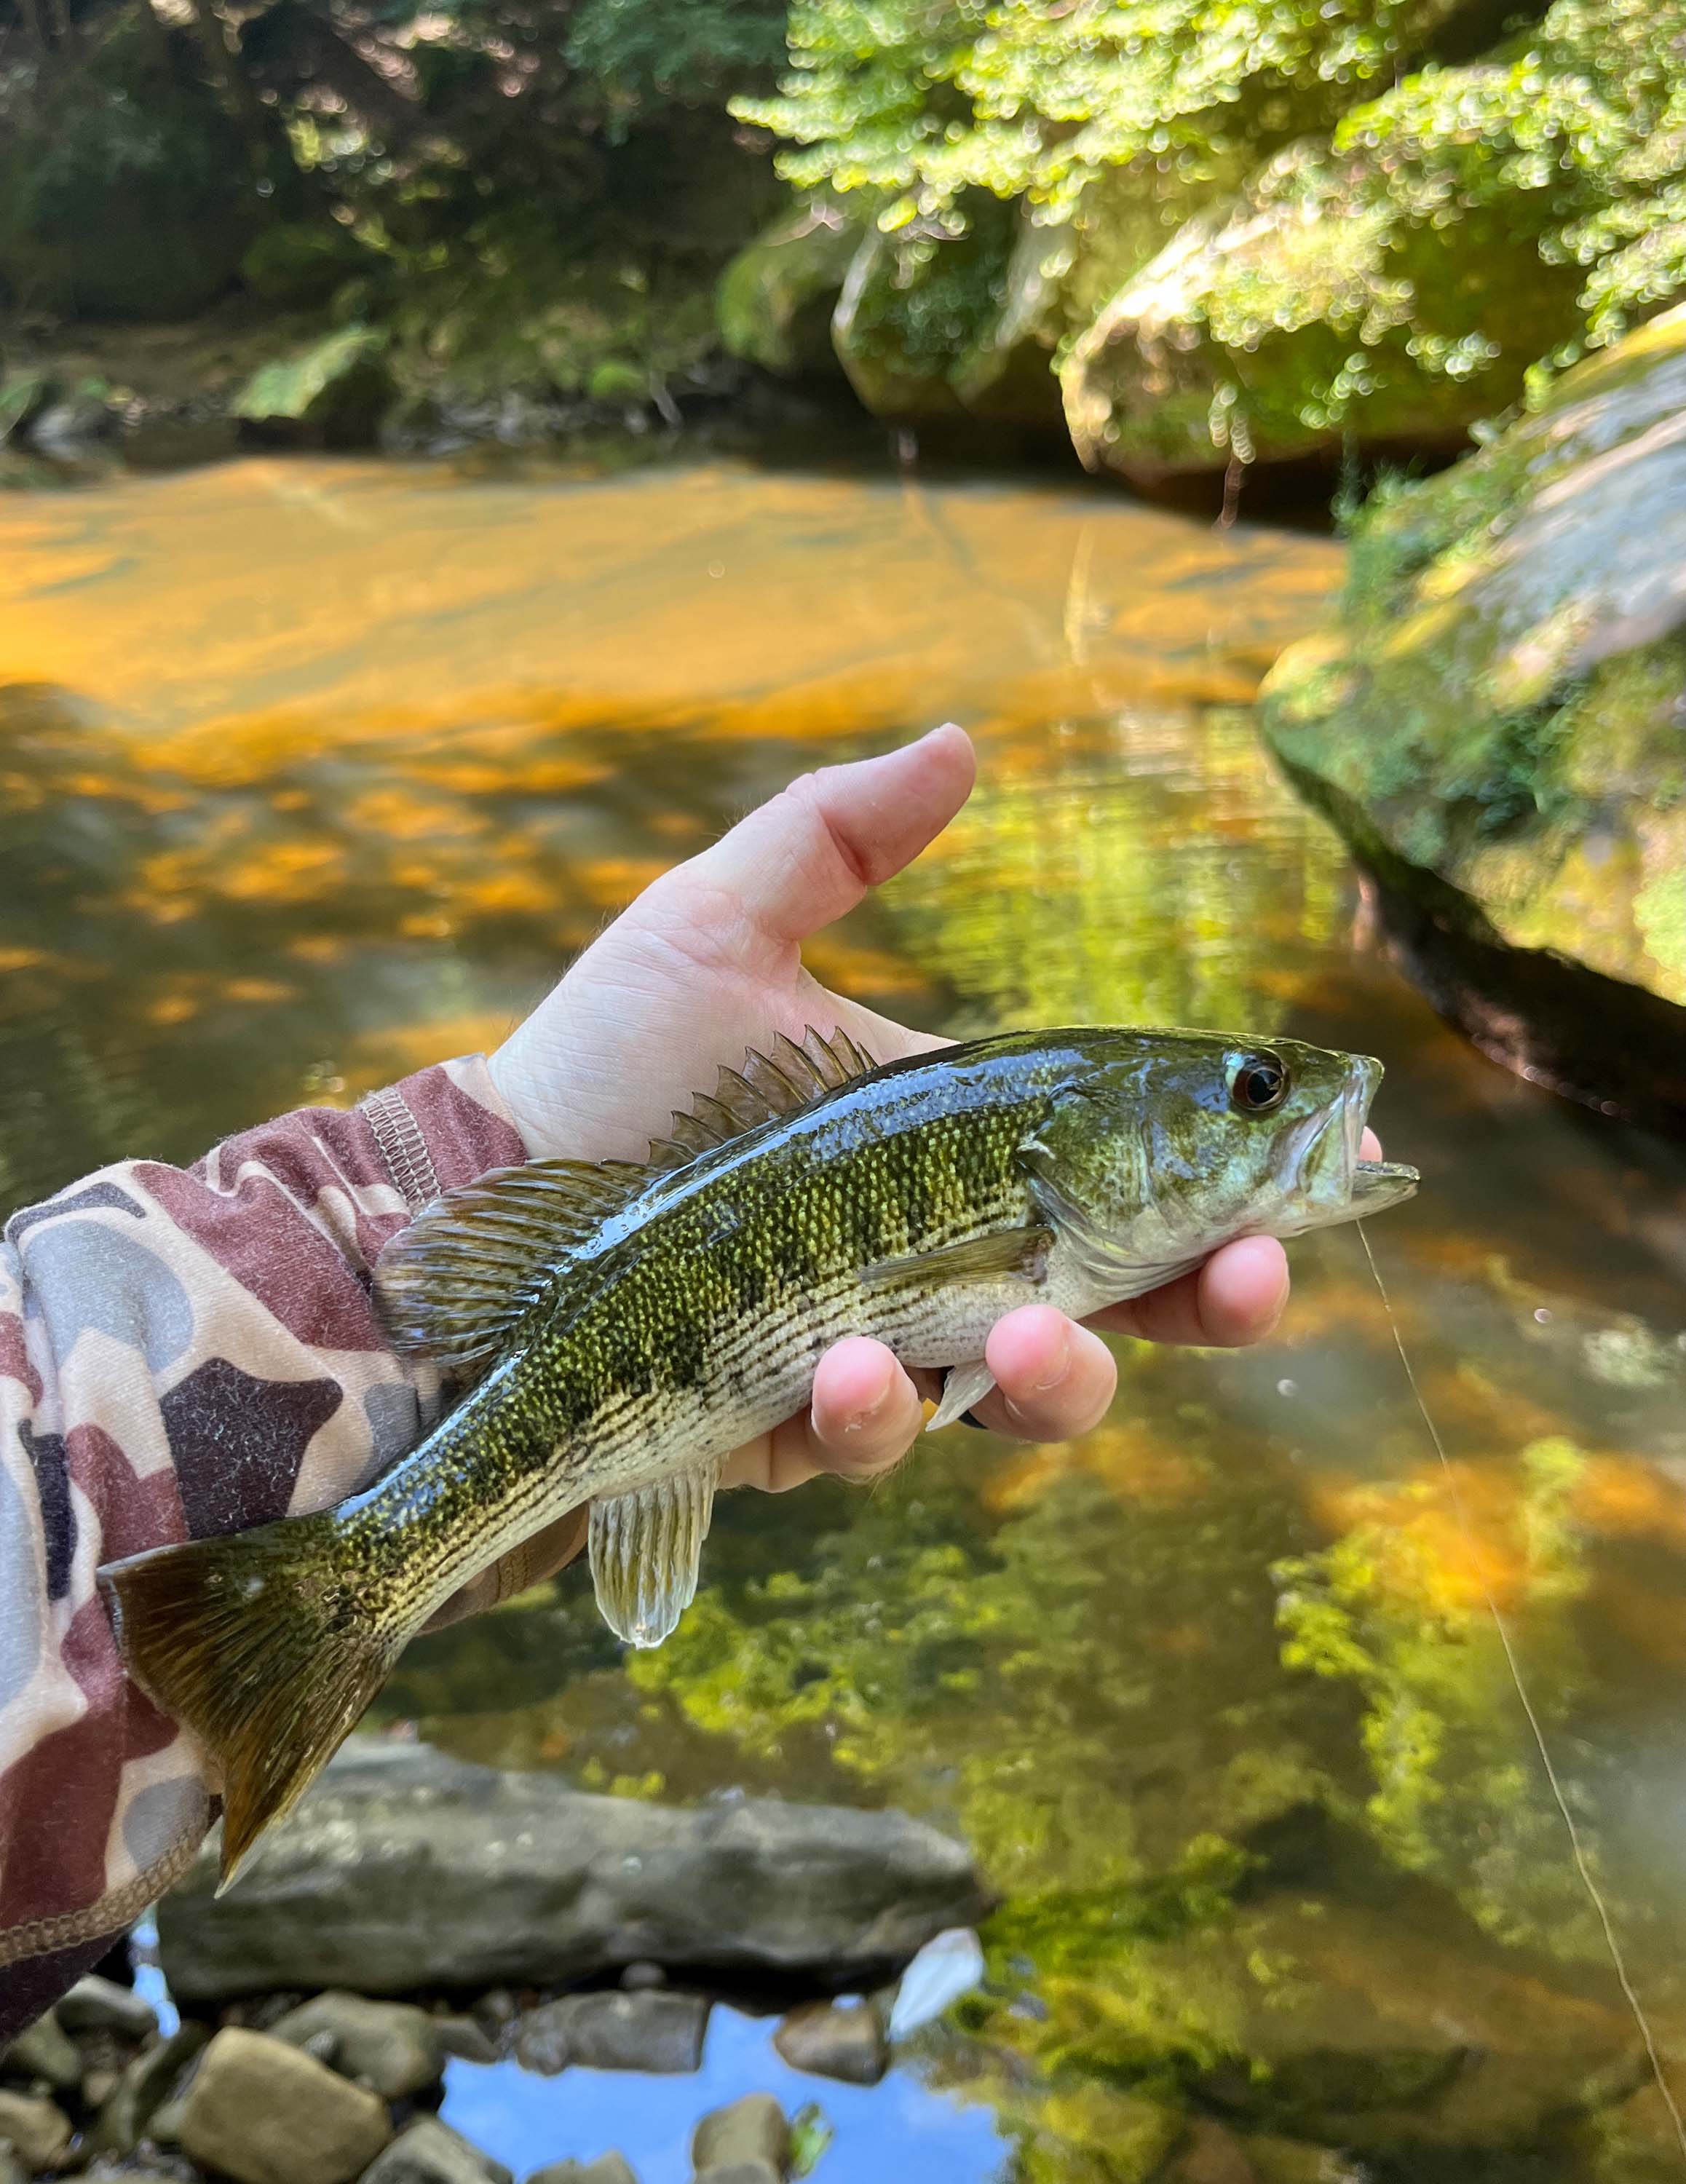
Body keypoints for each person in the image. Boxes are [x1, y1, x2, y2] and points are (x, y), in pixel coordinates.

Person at [0, 725, 1304, 2036]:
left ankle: (296, 1616)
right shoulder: (1031, 1186)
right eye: (1255, 1093)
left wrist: (471, 1150)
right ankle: (319, 1608)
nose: (1287, 1107)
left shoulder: (1054, 1179)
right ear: (1086, 1149)